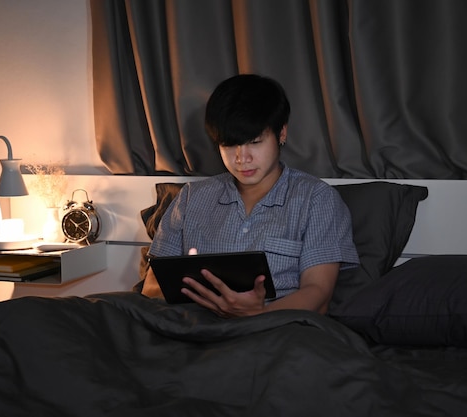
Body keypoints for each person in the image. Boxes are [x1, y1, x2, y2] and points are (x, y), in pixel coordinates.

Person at [141, 74, 358, 317]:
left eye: (254, 142)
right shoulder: (191, 198)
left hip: (276, 330)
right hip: (191, 328)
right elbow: (151, 288)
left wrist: (257, 314)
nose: (241, 158)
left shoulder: (317, 200)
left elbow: (318, 295)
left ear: (281, 134)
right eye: (229, 144)